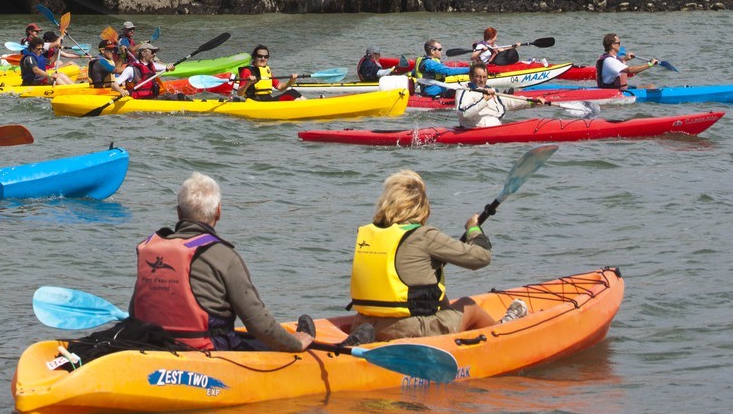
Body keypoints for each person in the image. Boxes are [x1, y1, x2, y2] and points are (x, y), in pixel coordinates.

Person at [130, 172, 312, 352]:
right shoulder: (225, 256)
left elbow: (134, 313)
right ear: (218, 211)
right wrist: (296, 343)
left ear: (179, 213)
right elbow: (258, 324)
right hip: (205, 350)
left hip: (152, 347)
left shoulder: (151, 251)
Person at [347, 168, 527, 342]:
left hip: (364, 325)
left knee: (436, 293)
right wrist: (473, 228)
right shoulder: (425, 235)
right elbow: (481, 257)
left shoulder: (367, 233)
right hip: (406, 330)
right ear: (420, 205)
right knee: (469, 306)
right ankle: (504, 333)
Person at [455, 63, 532, 128]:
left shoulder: (491, 90)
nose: (482, 80)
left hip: (495, 128)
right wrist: (484, 100)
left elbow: (508, 101)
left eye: (484, 77)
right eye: (478, 77)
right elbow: (465, 114)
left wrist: (531, 102)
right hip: (475, 130)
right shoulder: (465, 91)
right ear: (470, 77)